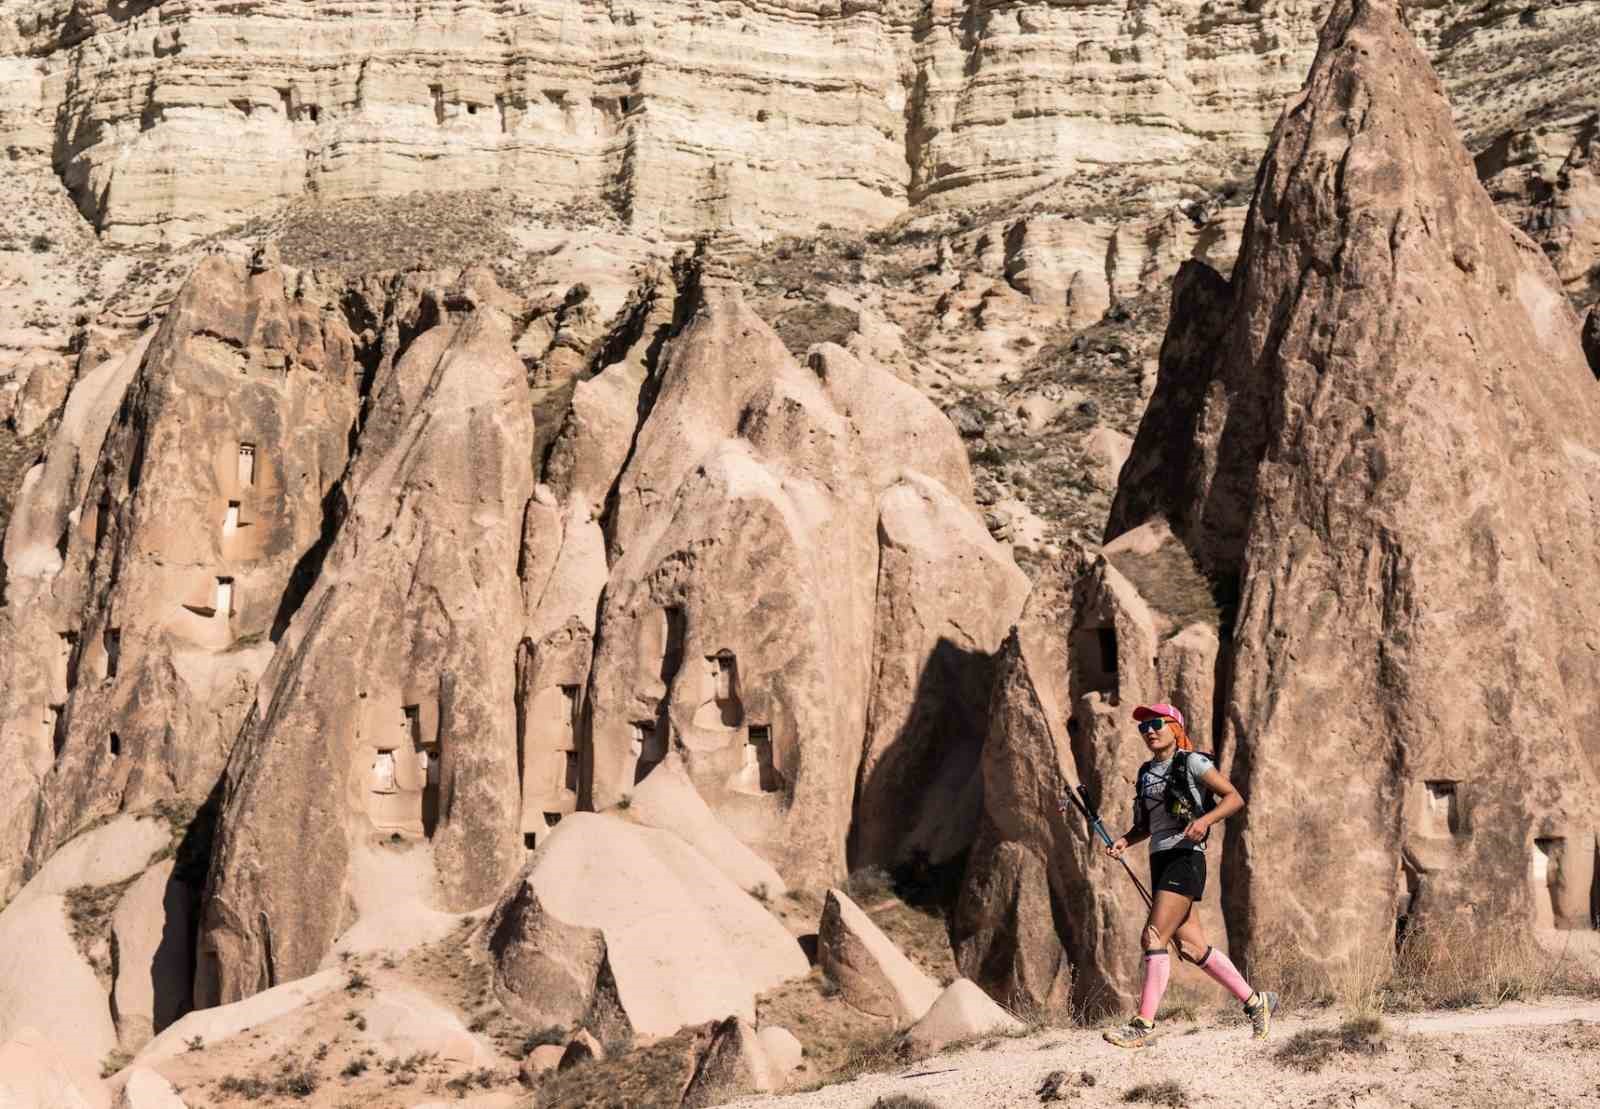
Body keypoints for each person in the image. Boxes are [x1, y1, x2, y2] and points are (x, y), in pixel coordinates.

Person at [1100, 702, 1277, 1048]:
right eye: (1143, 727)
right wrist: (1125, 840)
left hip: (1186, 857)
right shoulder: (1146, 772)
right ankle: (1258, 1003)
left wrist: (1204, 821)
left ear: (1175, 727)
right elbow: (1149, 825)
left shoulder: (1193, 762)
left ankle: (1143, 1025)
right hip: (1160, 859)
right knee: (1192, 947)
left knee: (1153, 936)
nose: (1149, 731)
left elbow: (1234, 798)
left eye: (1156, 723)